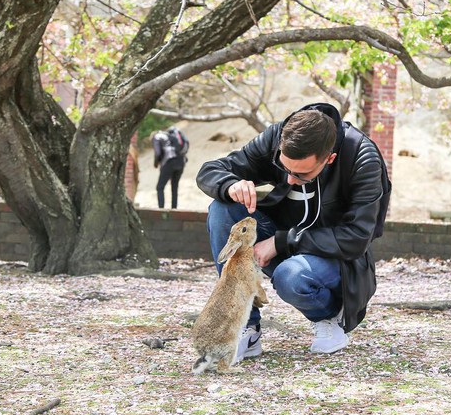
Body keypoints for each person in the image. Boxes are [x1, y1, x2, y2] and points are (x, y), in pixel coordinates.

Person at [196, 102, 390, 362]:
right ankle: (246, 328)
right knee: (223, 209)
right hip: (281, 239)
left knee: (292, 276)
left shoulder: (362, 156)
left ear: (329, 158)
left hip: (339, 261)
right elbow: (210, 170)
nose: (289, 179)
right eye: (284, 168)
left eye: (302, 174)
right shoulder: (278, 137)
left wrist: (281, 242)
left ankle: (328, 317)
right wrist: (230, 185)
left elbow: (356, 238)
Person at [152, 126, 189, 209]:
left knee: (160, 187)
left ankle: (161, 209)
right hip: (181, 161)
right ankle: (174, 208)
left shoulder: (156, 137)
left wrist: (156, 163)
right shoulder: (170, 136)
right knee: (174, 186)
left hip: (170, 161)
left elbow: (158, 153)